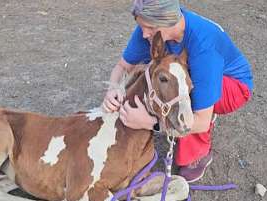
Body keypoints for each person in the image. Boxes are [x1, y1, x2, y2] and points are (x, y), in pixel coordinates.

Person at [102, 0, 253, 183]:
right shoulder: (151, 27)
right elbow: (123, 66)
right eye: (141, 27)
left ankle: (199, 153)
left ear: (167, 22)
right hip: (201, 74)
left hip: (233, 86)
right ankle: (194, 104)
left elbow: (202, 123)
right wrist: (113, 89)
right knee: (159, 72)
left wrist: (151, 123)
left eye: (148, 28)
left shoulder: (203, 46)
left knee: (180, 83)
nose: (144, 33)